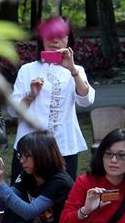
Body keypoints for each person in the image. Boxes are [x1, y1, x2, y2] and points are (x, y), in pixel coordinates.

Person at [9, 16, 95, 182]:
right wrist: (31, 96)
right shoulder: (27, 70)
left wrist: (73, 70)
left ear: (68, 39)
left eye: (61, 35)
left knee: (61, 197)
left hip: (63, 145)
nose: (55, 39)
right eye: (50, 34)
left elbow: (86, 100)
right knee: (22, 196)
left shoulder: (76, 70)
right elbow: (13, 111)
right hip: (29, 146)